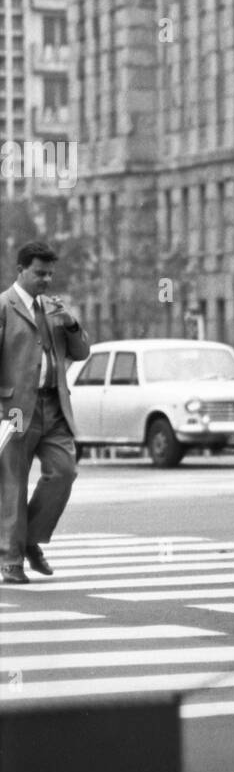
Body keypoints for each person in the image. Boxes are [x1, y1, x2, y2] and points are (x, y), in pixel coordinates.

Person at [0, 241, 91, 584]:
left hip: (54, 405)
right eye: (40, 273)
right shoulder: (4, 307)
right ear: (20, 270)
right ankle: (10, 560)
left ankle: (30, 539)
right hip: (15, 409)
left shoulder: (55, 309)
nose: (46, 279)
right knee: (13, 483)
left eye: (51, 273)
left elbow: (81, 351)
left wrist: (69, 323)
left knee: (64, 472)